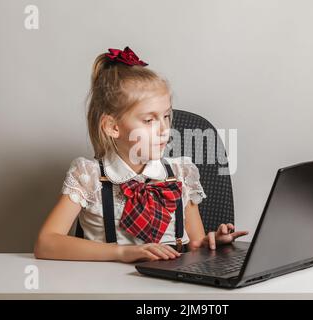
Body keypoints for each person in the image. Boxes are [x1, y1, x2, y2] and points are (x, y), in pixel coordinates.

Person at [34, 46, 248, 263]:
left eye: (166, 116)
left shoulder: (180, 172)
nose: (164, 129)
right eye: (149, 120)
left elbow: (195, 243)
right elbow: (46, 243)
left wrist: (210, 244)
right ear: (112, 127)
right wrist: (122, 252)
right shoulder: (89, 176)